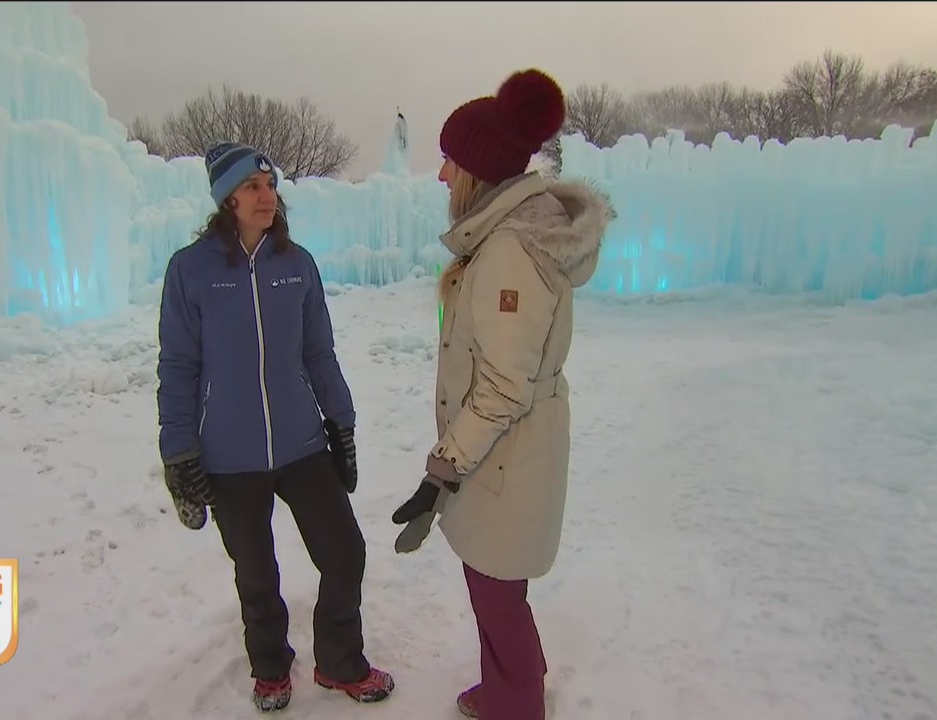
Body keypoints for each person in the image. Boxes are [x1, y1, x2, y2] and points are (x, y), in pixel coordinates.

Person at [389, 68, 613, 719]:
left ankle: (516, 703)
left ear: (478, 172)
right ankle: (513, 682)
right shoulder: (506, 239)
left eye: (449, 162)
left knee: (495, 590)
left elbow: (503, 386)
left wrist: (442, 467)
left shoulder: (509, 251)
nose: (440, 175)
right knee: (496, 587)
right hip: (506, 454)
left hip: (504, 457)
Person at [155, 141, 395, 713]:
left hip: (301, 443)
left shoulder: (296, 264)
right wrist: (179, 453)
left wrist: (342, 423)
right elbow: (178, 366)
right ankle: (270, 669)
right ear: (228, 199)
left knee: (345, 554)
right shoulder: (191, 270)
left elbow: (319, 353)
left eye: (270, 186)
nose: (267, 197)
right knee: (256, 571)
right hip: (228, 454)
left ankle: (339, 661)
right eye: (253, 187)